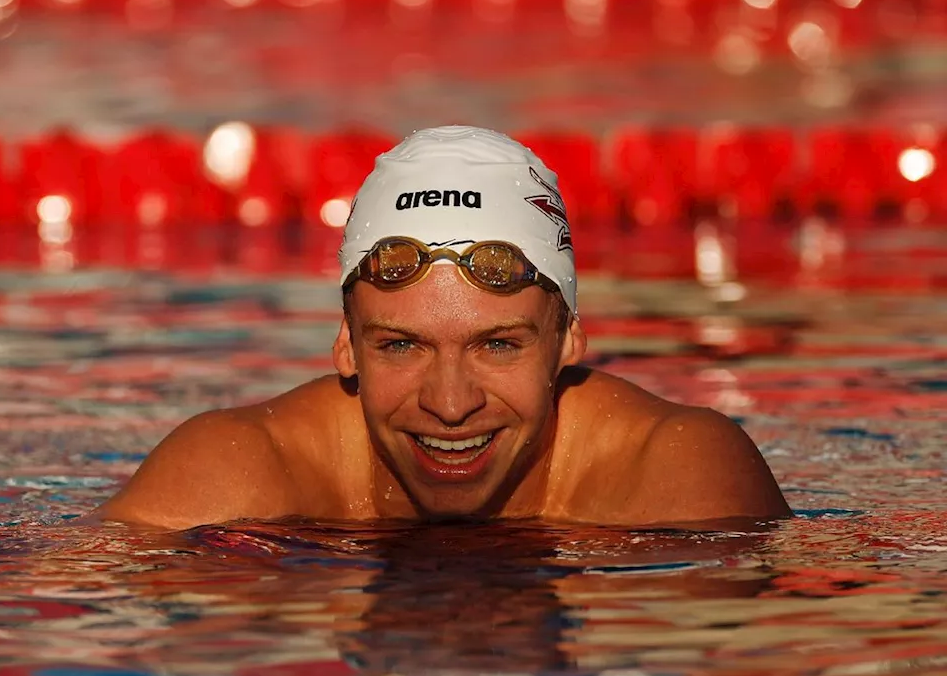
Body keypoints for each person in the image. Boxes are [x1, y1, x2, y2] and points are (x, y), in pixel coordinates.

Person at [96, 125, 790, 529]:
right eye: (401, 344)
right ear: (346, 344)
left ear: (568, 338)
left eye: (498, 344)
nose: (450, 403)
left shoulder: (675, 478)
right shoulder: (234, 479)